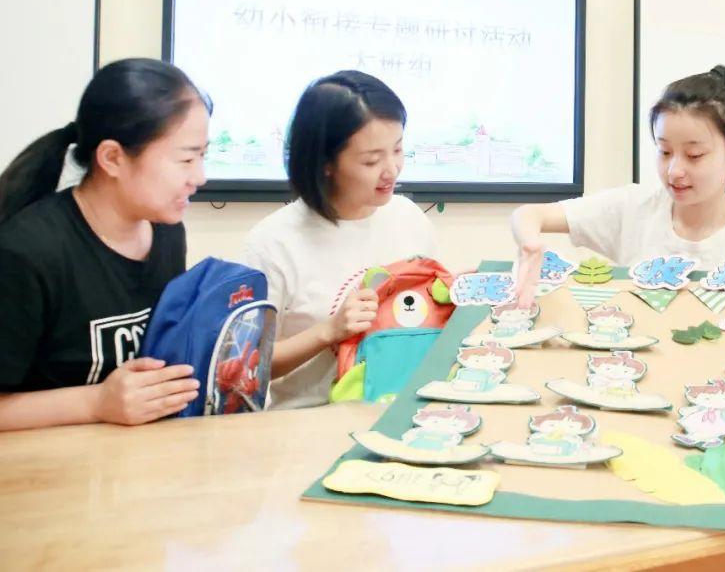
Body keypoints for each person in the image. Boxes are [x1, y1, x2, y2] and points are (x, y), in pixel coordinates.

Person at [0, 58, 210, 430]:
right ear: (112, 158)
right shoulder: (28, 252)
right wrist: (96, 402)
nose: (200, 177)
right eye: (186, 158)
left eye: (203, 156)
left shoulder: (166, 232)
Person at [512, 65, 725, 311]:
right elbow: (529, 215)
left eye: (694, 155)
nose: (674, 171)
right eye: (665, 151)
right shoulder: (634, 207)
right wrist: (529, 245)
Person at [244, 70, 435, 410]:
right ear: (326, 163)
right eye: (372, 160)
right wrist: (328, 331)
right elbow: (247, 367)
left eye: (398, 149)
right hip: (308, 426)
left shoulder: (408, 218)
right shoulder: (273, 243)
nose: (392, 169)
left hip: (403, 415)